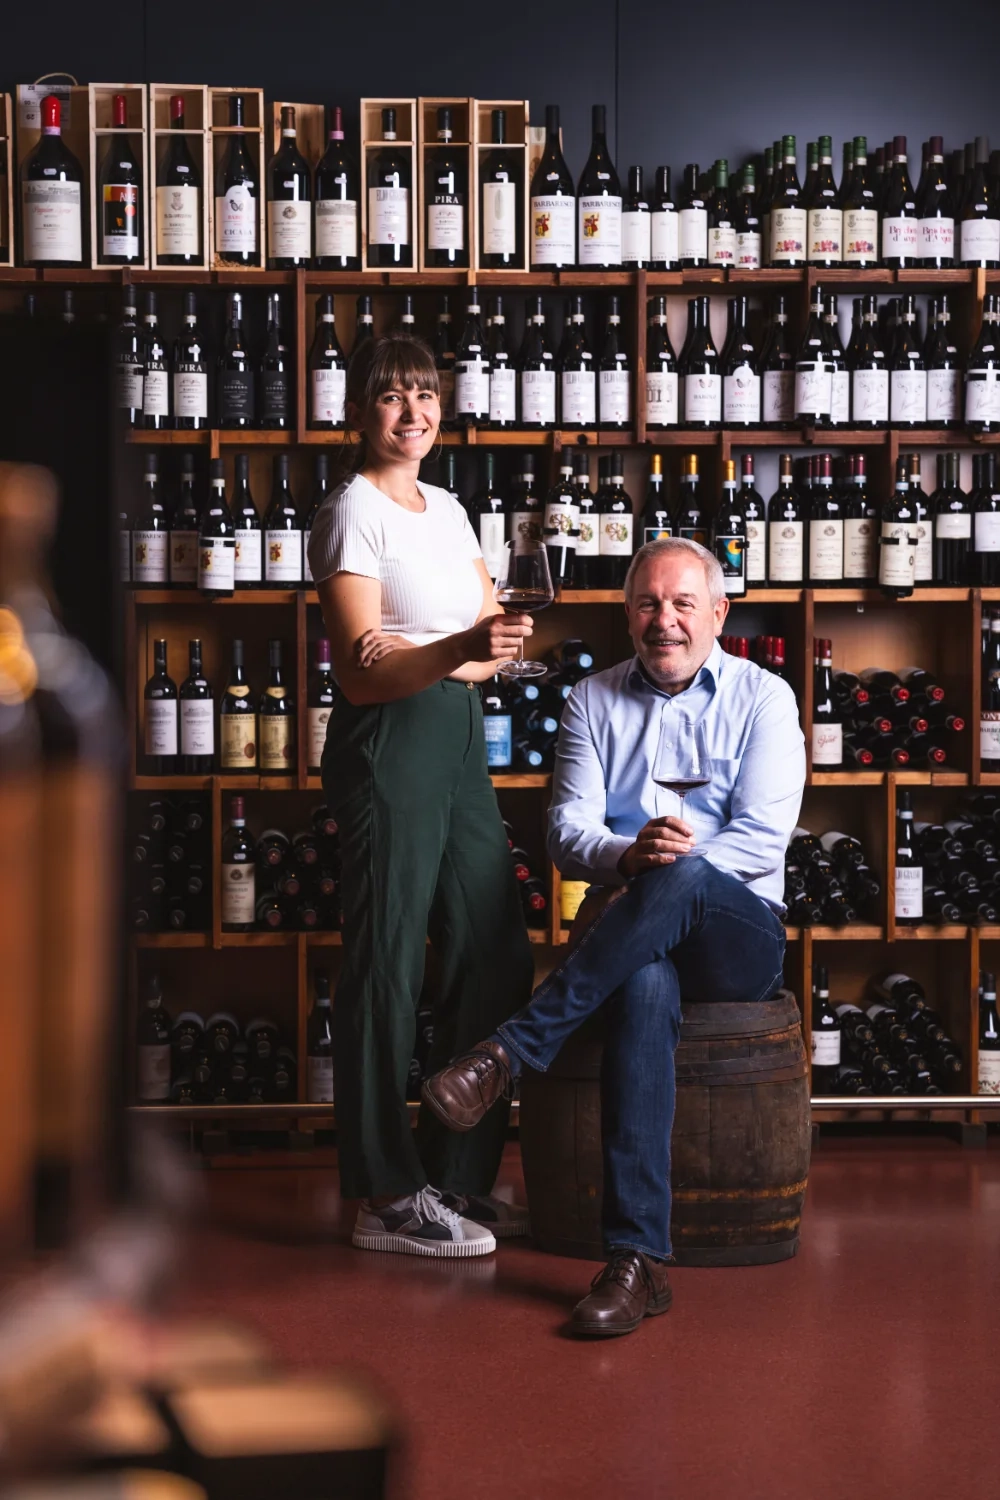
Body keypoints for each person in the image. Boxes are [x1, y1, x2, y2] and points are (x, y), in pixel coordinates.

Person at [422, 536, 806, 1326]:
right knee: (642, 982)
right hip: (634, 934)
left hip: (741, 935)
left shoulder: (764, 697)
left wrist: (669, 867)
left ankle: (511, 1052)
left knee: (688, 874)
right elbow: (565, 831)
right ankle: (635, 1262)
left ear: (718, 615)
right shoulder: (590, 700)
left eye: (681, 604)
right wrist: (629, 854)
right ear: (627, 613)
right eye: (646, 603)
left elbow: (764, 840)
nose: (663, 620)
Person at [307, 332, 535, 1258]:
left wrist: (489, 645)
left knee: (494, 948)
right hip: (386, 741)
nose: (414, 412)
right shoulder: (348, 512)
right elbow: (363, 676)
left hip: (454, 732)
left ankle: (455, 1175)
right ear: (359, 409)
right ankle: (383, 1191)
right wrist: (455, 650)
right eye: (393, 396)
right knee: (387, 960)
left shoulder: (450, 507)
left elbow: (480, 628)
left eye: (426, 394)